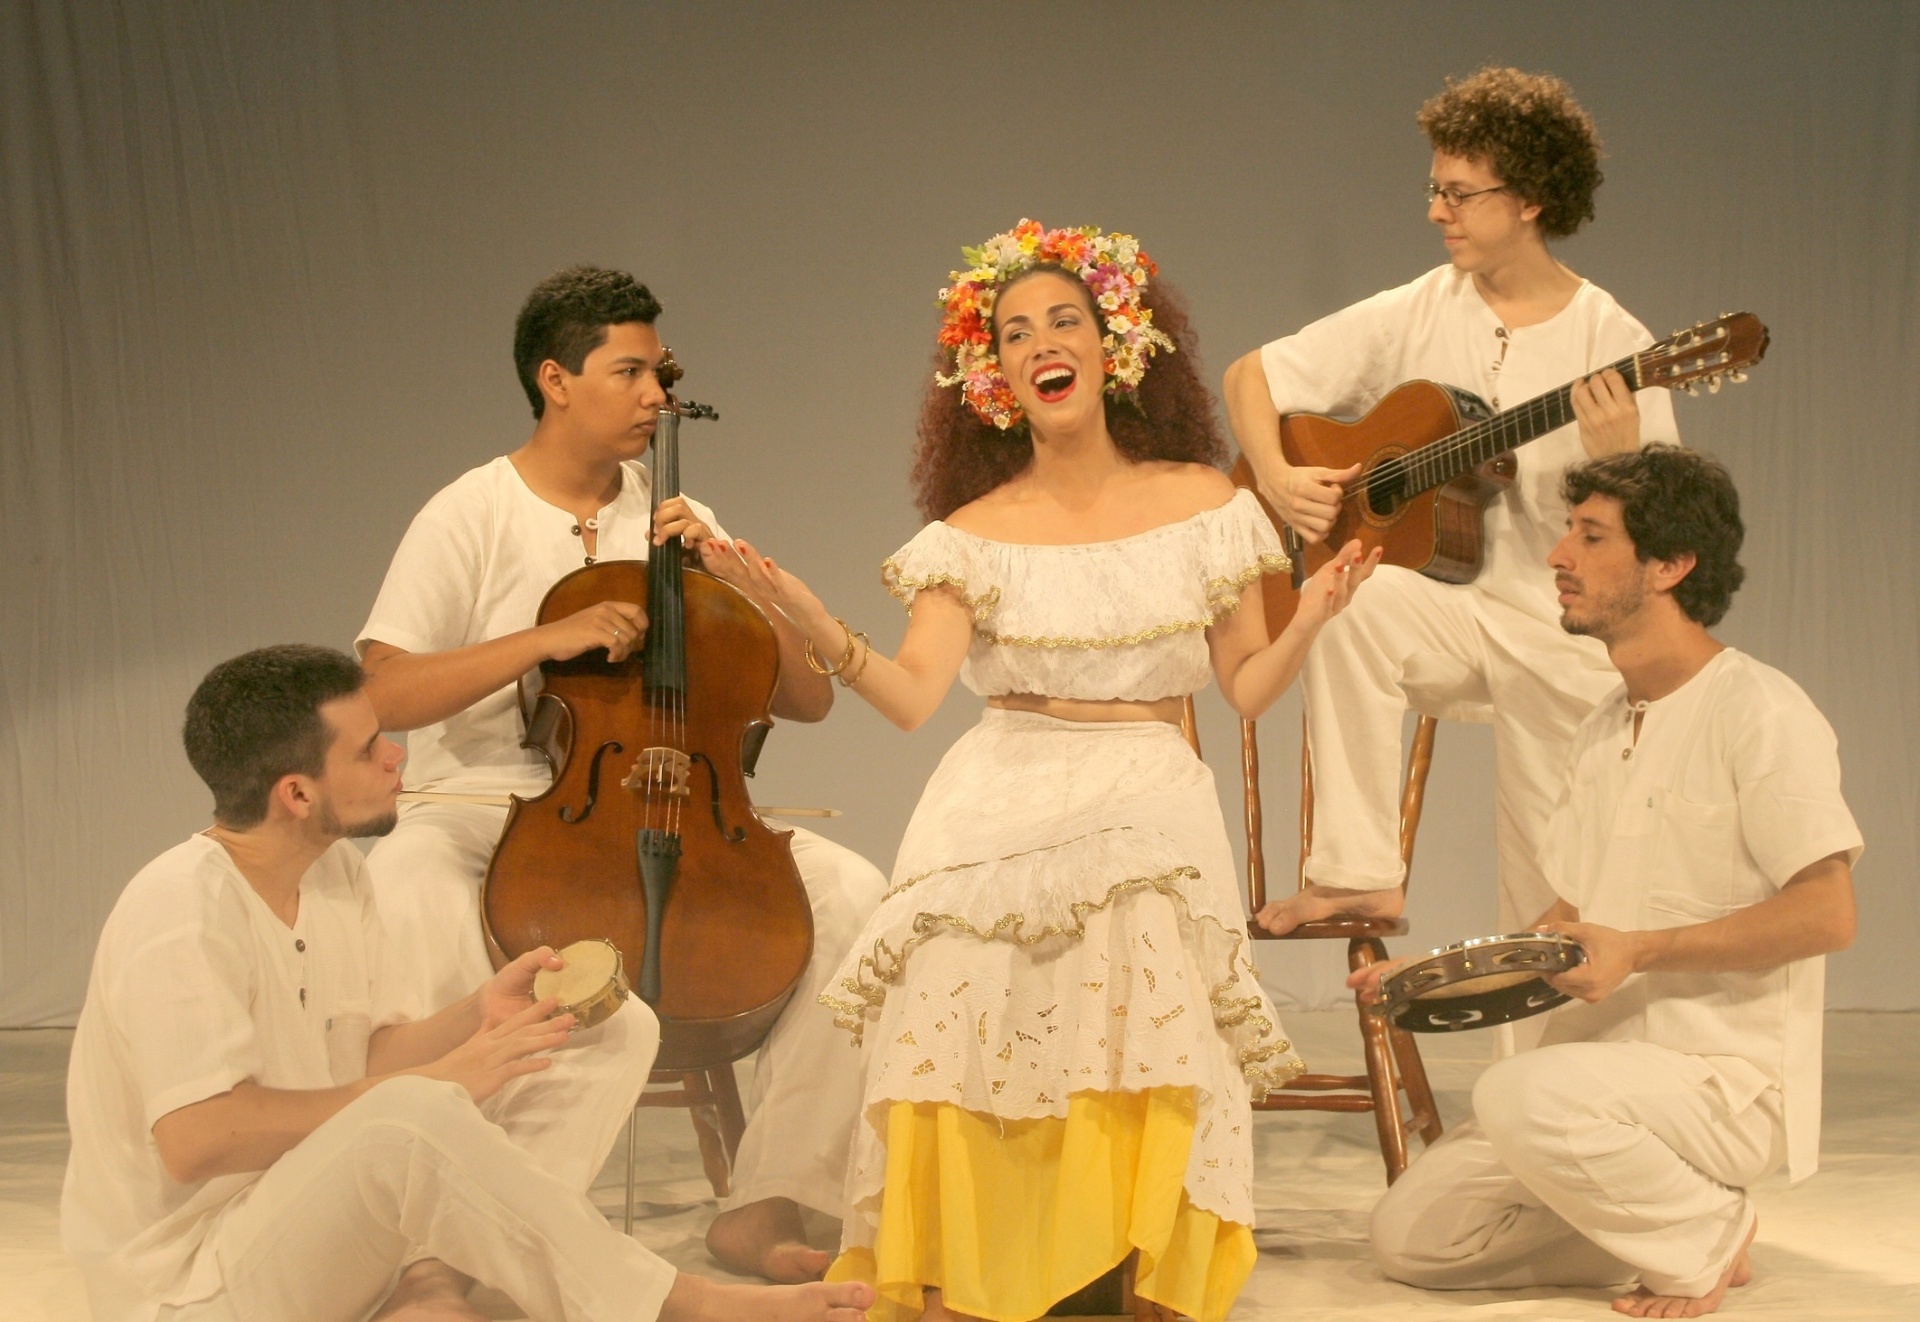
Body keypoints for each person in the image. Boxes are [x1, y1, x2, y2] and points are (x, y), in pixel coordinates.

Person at [709, 219, 1380, 1322]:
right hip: (1000, 775)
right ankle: (972, 1261)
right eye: (1015, 332)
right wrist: (812, 618)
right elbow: (917, 695)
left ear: (1115, 345)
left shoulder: (1210, 506)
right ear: (994, 373)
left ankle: (1128, 1256)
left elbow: (1247, 688)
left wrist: (1309, 613)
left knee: (1139, 936)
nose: (1041, 343)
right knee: (951, 970)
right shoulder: (970, 531)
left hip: (1144, 773)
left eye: (1064, 319)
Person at [60, 644, 874, 1322]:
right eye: (368, 748)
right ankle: (683, 1302)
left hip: (306, 1225)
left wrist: (476, 1018)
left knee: (610, 1026)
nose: (397, 755)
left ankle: (433, 1278)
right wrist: (433, 1081)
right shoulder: (180, 907)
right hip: (189, 1283)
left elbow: (369, 1052)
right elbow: (199, 1140)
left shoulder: (337, 871)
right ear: (296, 793)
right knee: (410, 1112)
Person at [355, 266, 888, 1283]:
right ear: (556, 378)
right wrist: (549, 634)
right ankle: (440, 1234)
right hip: (490, 799)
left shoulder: (677, 510)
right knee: (410, 883)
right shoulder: (468, 511)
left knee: (854, 896)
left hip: (678, 791)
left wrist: (730, 579)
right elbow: (385, 688)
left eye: (659, 373)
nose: (656, 396)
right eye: (630, 371)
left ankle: (773, 1193)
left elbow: (808, 698)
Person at [1354, 447, 1860, 1319]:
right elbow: (1571, 918)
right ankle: (1659, 1213)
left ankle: (1701, 1231)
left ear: (1670, 565)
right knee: (1413, 1237)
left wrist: (1646, 951)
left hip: (1722, 1084)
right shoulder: (1599, 726)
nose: (1557, 557)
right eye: (1567, 534)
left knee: (1513, 1090)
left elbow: (1829, 913)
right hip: (1602, 1082)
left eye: (1591, 537)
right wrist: (1430, 976)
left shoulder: (1762, 711)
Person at [1230, 68, 1682, 985]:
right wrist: (1280, 481)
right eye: (1434, 188)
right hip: (1453, 616)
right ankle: (1358, 876)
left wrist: (1620, 463)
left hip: (1565, 642)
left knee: (1551, 900)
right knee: (1350, 601)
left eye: (1460, 193)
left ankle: (1547, 1097)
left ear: (1531, 200)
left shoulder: (1614, 341)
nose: (1438, 210)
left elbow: (1663, 541)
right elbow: (1250, 377)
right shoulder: (1422, 307)